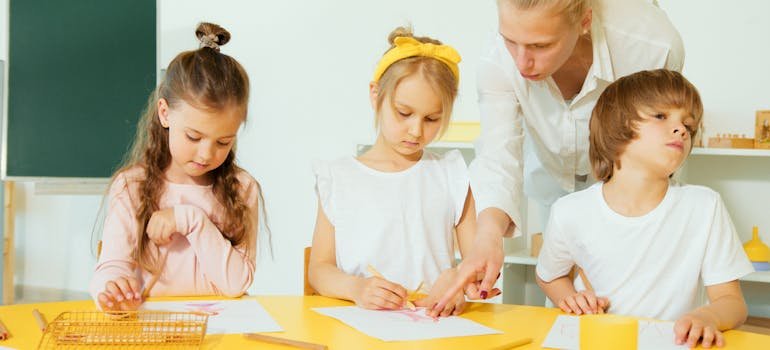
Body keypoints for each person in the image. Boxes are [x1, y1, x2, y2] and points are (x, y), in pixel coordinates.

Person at [437, 0, 685, 310]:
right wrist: (488, 237)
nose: (522, 63)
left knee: (634, 294)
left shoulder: (652, 47)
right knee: (568, 302)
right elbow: (498, 155)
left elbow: (654, 143)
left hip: (633, 180)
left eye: (541, 46)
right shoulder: (497, 59)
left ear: (584, 21)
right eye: (511, 41)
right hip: (552, 174)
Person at [537, 69, 752, 348]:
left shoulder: (704, 206)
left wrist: (707, 316)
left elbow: (732, 302)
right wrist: (569, 298)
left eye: (689, 124)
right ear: (616, 125)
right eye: (661, 116)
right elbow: (550, 275)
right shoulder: (570, 211)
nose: (682, 129)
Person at [308, 27, 494, 317]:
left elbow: (477, 260)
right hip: (360, 329)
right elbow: (319, 270)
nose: (416, 130)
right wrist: (356, 288)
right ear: (375, 95)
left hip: (434, 327)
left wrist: (459, 281)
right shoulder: (339, 177)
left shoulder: (451, 174)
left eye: (432, 119)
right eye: (404, 113)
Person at [89, 22, 266, 311]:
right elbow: (111, 266)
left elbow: (237, 283)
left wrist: (190, 219)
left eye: (224, 142)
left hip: (222, 330)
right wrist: (112, 289)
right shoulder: (131, 185)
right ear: (165, 113)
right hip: (153, 331)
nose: (207, 154)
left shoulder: (241, 188)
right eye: (193, 136)